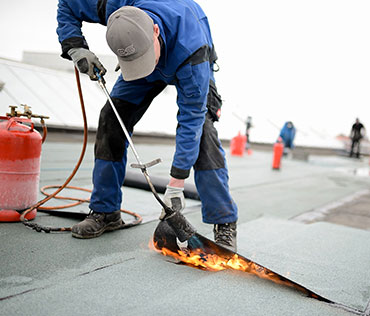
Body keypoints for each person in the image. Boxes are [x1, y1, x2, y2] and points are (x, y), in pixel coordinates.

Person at [56, 0, 238, 251]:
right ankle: (106, 211)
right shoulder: (114, 7)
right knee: (112, 118)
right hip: (148, 54)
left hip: (185, 57)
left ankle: (224, 221)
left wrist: (177, 181)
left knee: (203, 133)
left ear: (154, 30)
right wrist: (74, 46)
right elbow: (67, 4)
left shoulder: (192, 50)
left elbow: (190, 120)